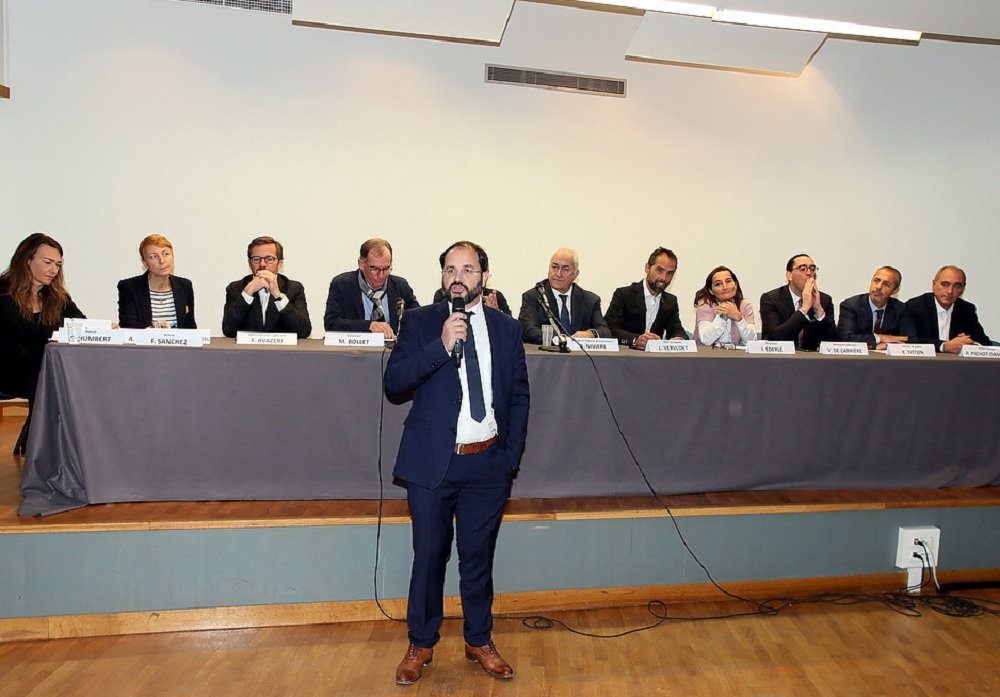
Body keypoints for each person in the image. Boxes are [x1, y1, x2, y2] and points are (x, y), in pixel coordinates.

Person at [384, 241, 529, 686]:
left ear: (484, 276)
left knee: (478, 558)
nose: (459, 276)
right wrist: (441, 346)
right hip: (433, 465)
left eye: (468, 268)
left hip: (487, 465)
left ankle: (479, 639)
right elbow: (395, 382)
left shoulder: (507, 329)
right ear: (442, 276)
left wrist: (509, 460)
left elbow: (520, 396)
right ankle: (420, 643)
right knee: (428, 556)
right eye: (451, 269)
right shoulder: (421, 322)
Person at [0, 233, 86, 456]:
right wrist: (65, 332)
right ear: (27, 260)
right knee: (44, 358)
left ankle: (64, 442)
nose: (54, 269)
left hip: (38, 370)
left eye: (58, 264)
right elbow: (25, 333)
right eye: (48, 262)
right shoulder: (3, 290)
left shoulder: (57, 297)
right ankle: (46, 442)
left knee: (52, 362)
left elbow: (81, 325)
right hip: (7, 367)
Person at [323, 238, 419, 339]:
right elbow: (331, 323)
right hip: (355, 352)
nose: (381, 275)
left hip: (393, 352)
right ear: (361, 264)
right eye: (374, 269)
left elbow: (418, 319)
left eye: (386, 268)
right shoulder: (342, 285)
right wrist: (368, 326)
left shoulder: (400, 286)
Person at [222, 236, 311, 338]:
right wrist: (248, 292)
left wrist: (278, 295)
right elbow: (228, 330)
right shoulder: (235, 289)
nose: (262, 264)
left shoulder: (294, 288)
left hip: (282, 352)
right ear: (249, 263)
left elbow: (304, 331)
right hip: (247, 352)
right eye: (256, 259)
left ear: (279, 264)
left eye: (269, 259)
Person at [517, 247, 611, 344]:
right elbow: (528, 330)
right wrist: (561, 339)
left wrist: (592, 334)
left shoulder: (590, 300)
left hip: (580, 358)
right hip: (548, 357)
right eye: (554, 267)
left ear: (575, 274)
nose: (558, 274)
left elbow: (605, 331)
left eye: (565, 269)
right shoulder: (534, 296)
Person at [604, 247, 688, 348]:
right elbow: (609, 329)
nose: (664, 278)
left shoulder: (671, 301)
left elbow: (677, 330)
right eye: (660, 270)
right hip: (625, 358)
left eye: (670, 273)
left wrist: (679, 339)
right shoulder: (624, 295)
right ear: (647, 268)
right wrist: (635, 340)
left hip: (655, 361)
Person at [905, 265, 991, 353]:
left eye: (957, 286)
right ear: (934, 284)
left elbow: (984, 342)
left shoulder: (966, 309)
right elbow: (909, 340)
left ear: (962, 289)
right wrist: (943, 346)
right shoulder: (915, 307)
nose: (950, 291)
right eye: (945, 284)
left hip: (956, 364)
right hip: (924, 364)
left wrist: (970, 345)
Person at [117, 234, 196, 329]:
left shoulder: (185, 286)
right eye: (153, 257)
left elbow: (190, 327)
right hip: (145, 343)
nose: (162, 261)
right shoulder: (129, 287)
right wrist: (155, 332)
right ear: (144, 262)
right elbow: (128, 324)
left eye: (166, 254)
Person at [759, 253, 836, 350]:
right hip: (781, 360)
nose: (809, 273)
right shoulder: (771, 299)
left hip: (814, 361)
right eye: (802, 269)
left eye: (812, 269)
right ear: (789, 276)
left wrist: (818, 310)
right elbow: (775, 338)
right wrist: (804, 309)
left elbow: (833, 342)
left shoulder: (824, 300)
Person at [837, 266, 916, 349]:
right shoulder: (851, 306)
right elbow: (844, 338)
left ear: (895, 291)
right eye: (876, 281)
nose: (878, 287)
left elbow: (911, 340)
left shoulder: (900, 309)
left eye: (886, 284)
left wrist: (887, 345)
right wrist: (879, 338)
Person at [693, 266, 757, 347]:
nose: (725, 287)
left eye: (728, 281)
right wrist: (723, 315)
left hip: (737, 357)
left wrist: (739, 318)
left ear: (736, 285)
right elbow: (705, 340)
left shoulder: (745, 305)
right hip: (708, 356)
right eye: (718, 284)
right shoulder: (705, 305)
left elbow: (752, 342)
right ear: (711, 291)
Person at [432, 286, 511, 316]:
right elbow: (436, 324)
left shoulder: (495, 296)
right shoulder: (443, 295)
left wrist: (496, 315)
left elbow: (511, 329)